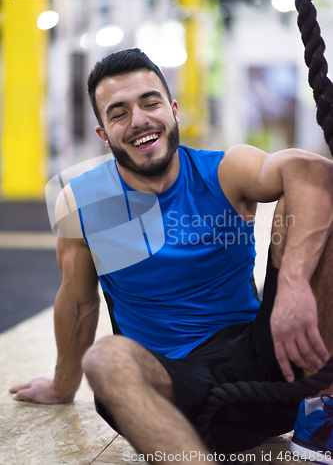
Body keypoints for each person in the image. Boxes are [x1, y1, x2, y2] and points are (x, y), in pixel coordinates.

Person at [10, 48, 333, 464]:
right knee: (106, 359)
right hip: (171, 396)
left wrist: (294, 286)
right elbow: (77, 300)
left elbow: (313, 171)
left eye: (150, 102)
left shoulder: (225, 171)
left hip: (273, 367)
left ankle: (320, 415)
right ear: (103, 134)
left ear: (173, 109)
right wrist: (62, 384)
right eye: (119, 112)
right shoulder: (84, 201)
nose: (140, 120)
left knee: (310, 203)